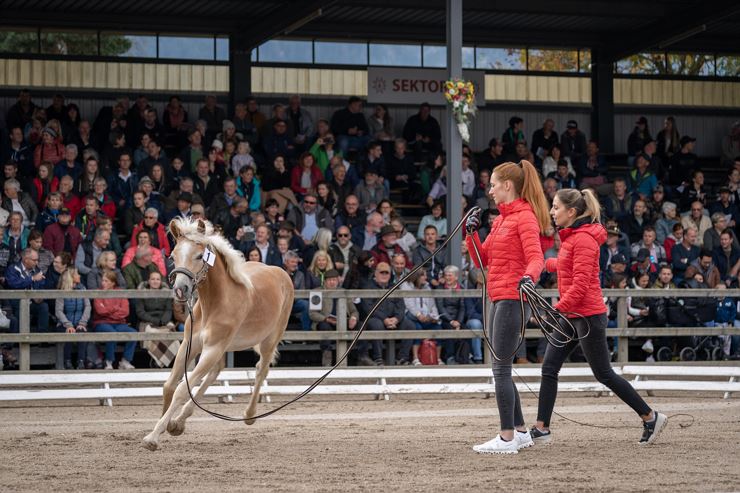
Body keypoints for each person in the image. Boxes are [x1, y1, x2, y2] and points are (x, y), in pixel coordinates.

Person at [532, 187, 667, 446]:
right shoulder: (573, 237)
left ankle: (650, 416)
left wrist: (555, 309)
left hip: (587, 316)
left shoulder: (582, 240)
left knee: (604, 373)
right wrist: (534, 267)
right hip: (572, 314)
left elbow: (581, 284)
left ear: (571, 212)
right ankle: (542, 428)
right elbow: (563, 266)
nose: (551, 212)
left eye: (556, 207)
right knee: (549, 368)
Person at [465, 160, 549, 454]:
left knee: (499, 368)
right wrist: (471, 232)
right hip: (498, 295)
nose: (490, 191)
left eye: (493, 185)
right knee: (504, 367)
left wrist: (529, 277)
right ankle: (521, 432)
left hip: (513, 297)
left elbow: (536, 257)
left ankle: (506, 437)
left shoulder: (524, 218)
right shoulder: (501, 219)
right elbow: (482, 260)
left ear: (507, 186)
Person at [358, 262, 415, 365]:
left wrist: (396, 319)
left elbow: (401, 306)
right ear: (375, 273)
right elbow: (368, 308)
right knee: (377, 325)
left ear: (390, 274)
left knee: (409, 325)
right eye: (381, 272)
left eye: (386, 273)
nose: (384, 275)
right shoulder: (368, 287)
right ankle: (378, 358)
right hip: (375, 319)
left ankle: (402, 358)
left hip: (393, 319)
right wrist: (384, 319)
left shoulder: (395, 287)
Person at [309, 269, 358, 367]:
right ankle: (327, 358)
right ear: (325, 281)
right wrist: (325, 319)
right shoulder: (316, 292)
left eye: (334, 280)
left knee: (361, 325)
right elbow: (312, 314)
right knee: (324, 327)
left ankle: (356, 355)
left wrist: (353, 318)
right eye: (329, 280)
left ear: (338, 281)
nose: (332, 282)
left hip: (342, 321)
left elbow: (354, 311)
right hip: (325, 321)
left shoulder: (343, 292)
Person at [92, 270, 137, 370]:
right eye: (103, 280)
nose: (103, 283)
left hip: (119, 323)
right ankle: (109, 361)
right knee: (111, 333)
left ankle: (125, 361)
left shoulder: (120, 292)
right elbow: (100, 311)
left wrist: (109, 312)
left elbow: (125, 312)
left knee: (134, 333)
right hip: (101, 323)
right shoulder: (98, 293)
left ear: (113, 283)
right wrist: (115, 309)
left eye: (106, 281)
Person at [401, 269, 443, 366]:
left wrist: (434, 316)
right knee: (417, 328)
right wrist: (419, 315)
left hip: (426, 316)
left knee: (438, 328)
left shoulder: (427, 288)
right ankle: (415, 358)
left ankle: (438, 358)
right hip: (412, 315)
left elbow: (432, 305)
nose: (426, 278)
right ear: (417, 277)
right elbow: (409, 305)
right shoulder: (406, 286)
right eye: (423, 276)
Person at [55, 267, 91, 370]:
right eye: (77, 274)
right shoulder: (62, 291)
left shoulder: (83, 288)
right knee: (70, 333)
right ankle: (67, 361)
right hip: (64, 324)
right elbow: (59, 311)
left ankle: (81, 361)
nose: (79, 276)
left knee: (81, 333)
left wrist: (83, 323)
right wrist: (68, 325)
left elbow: (87, 306)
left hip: (80, 322)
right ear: (71, 277)